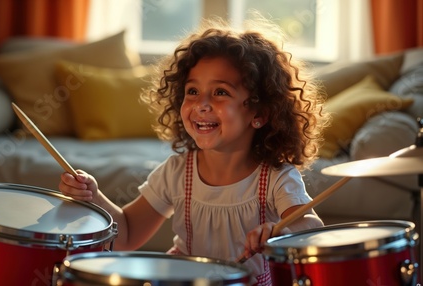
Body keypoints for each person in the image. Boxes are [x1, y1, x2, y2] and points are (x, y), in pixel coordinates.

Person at [59, 12, 328, 285]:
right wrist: (94, 197)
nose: (202, 104)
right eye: (192, 91)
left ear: (259, 113)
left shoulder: (276, 178)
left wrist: (279, 232)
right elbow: (126, 234)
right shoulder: (176, 172)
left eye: (220, 92)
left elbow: (310, 226)